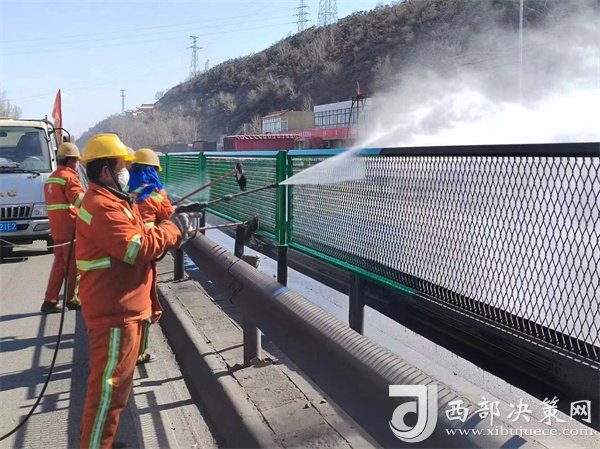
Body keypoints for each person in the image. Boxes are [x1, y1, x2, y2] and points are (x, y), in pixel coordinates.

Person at [76, 133, 196, 449]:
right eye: (122, 165)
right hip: (115, 311)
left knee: (115, 389)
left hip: (121, 305)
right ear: (106, 170)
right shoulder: (103, 206)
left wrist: (168, 232)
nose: (127, 171)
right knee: (109, 391)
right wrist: (174, 228)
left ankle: (101, 441)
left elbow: (140, 241)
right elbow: (136, 248)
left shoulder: (115, 201)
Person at [128, 148, 174, 364]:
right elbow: (169, 217)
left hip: (126, 250)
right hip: (148, 251)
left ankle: (132, 347)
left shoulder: (123, 191)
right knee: (145, 301)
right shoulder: (156, 194)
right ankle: (139, 351)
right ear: (153, 171)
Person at [41, 142, 85, 313]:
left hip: (57, 230)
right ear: (71, 160)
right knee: (73, 266)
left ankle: (50, 300)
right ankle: (72, 299)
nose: (78, 164)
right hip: (70, 229)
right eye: (77, 161)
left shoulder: (51, 178)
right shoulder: (69, 177)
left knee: (59, 266)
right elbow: (80, 202)